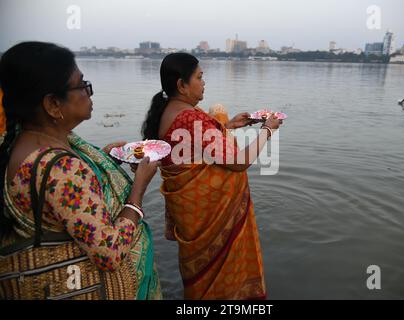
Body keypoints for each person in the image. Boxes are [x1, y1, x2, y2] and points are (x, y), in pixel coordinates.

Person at [0, 42, 162, 299]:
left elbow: (66, 199)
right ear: (53, 104)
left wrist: (105, 158)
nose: (89, 92)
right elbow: (109, 252)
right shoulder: (61, 168)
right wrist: (138, 190)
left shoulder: (21, 143)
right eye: (81, 85)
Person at [141, 52, 282, 299]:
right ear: (181, 85)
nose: (203, 82)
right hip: (211, 222)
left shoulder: (170, 112)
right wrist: (267, 131)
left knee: (200, 282)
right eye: (199, 77)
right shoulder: (190, 116)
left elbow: (189, 146)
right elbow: (239, 162)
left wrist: (229, 127)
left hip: (192, 220)